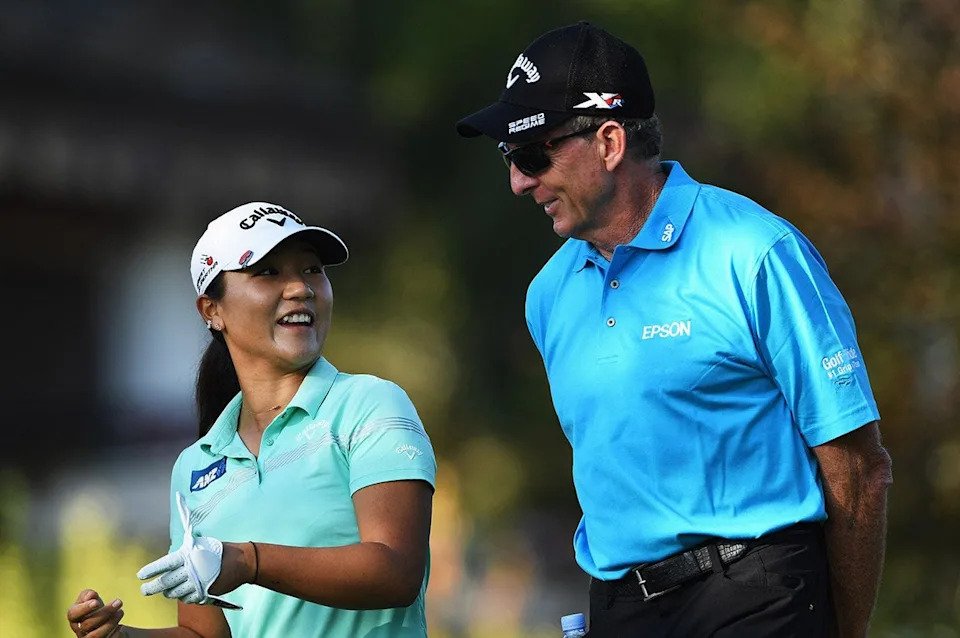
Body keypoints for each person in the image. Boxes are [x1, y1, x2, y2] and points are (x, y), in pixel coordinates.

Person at [456, 21, 892, 638]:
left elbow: (857, 467)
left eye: (533, 155)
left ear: (608, 143)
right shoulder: (547, 297)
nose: (519, 181)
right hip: (620, 607)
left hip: (755, 596)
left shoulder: (754, 252)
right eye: (510, 159)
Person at [66, 202, 437, 638]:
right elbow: (206, 635)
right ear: (212, 311)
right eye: (268, 272)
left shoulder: (370, 404)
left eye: (313, 270)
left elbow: (395, 572)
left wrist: (247, 561)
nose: (300, 288)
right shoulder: (194, 466)